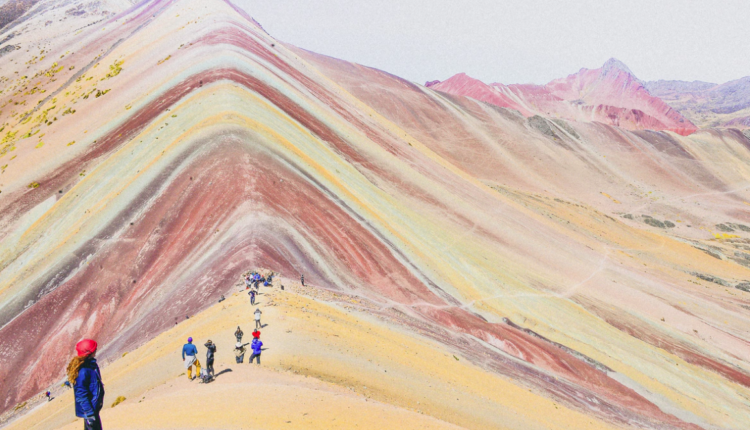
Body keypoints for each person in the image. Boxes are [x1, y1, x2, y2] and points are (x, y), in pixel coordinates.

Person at [67, 339, 104, 430]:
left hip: (93, 409)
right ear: (89, 353)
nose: (96, 350)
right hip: (90, 411)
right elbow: (81, 395)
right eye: (94, 349)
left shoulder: (91, 365)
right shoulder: (83, 372)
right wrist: (89, 414)